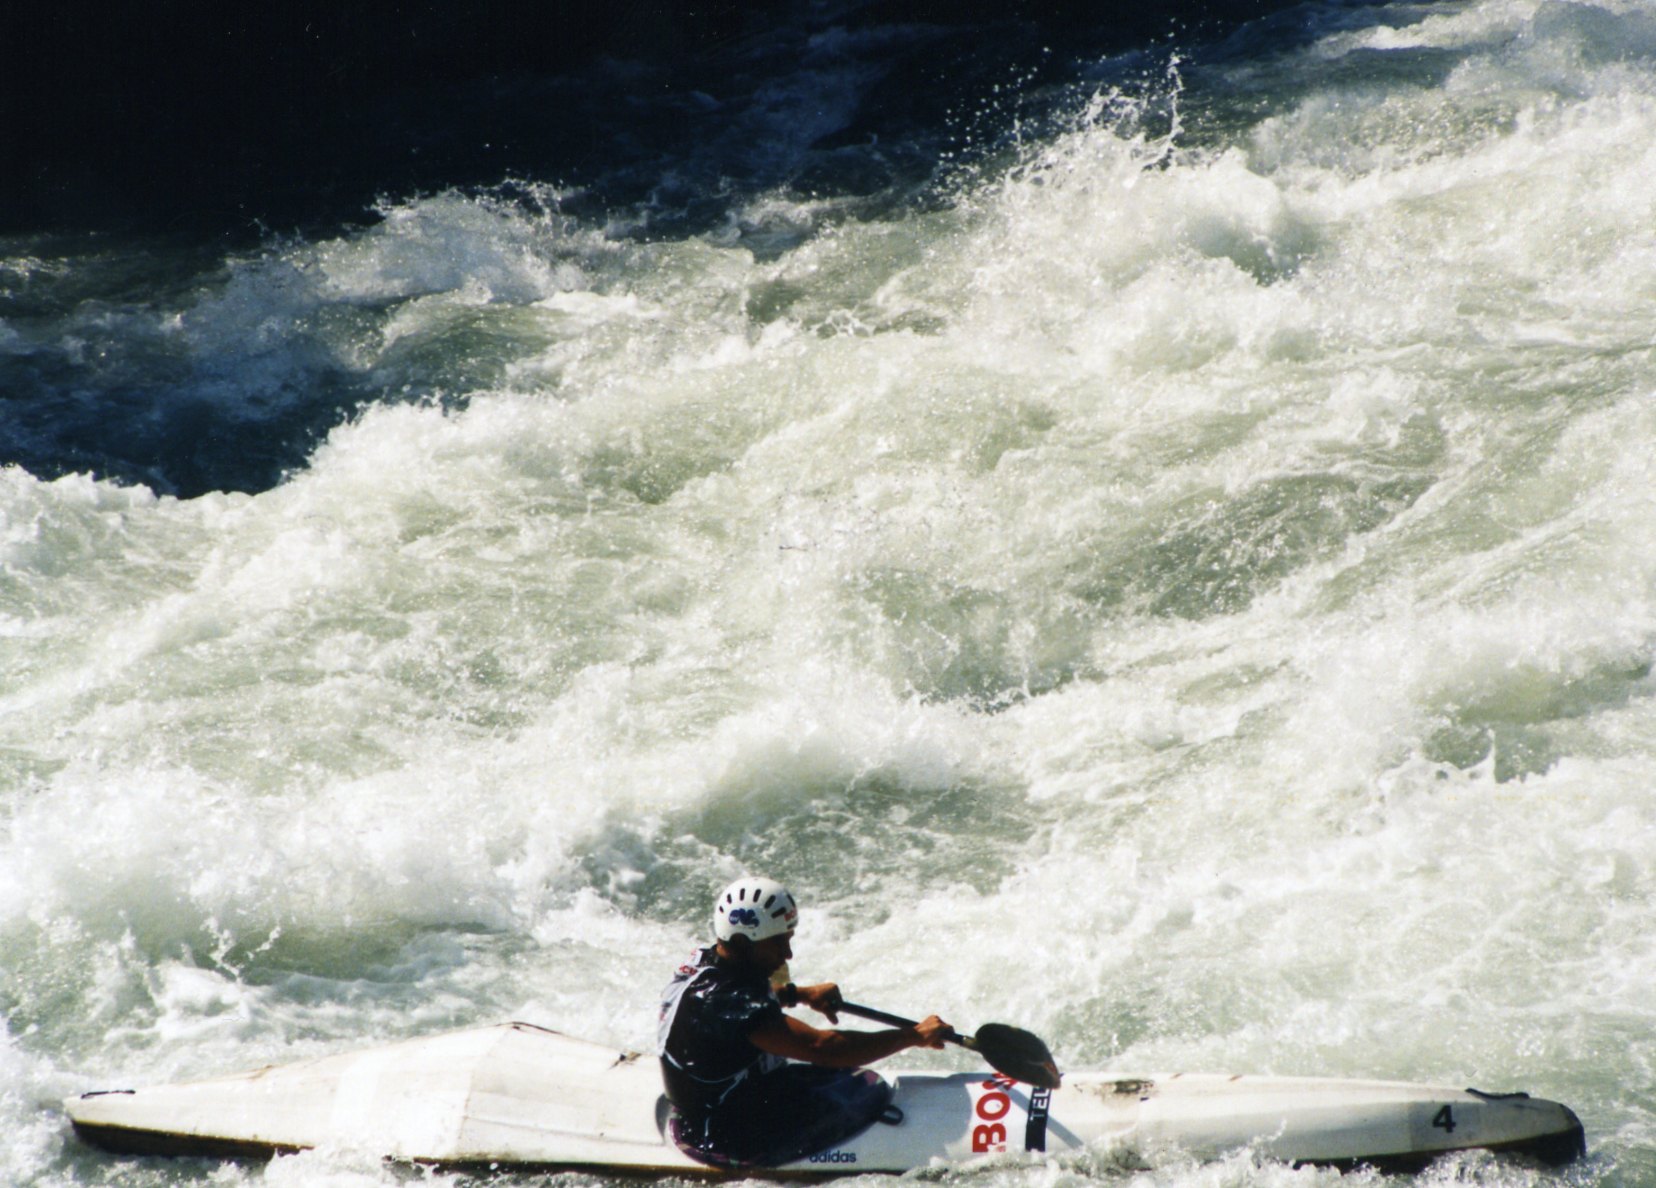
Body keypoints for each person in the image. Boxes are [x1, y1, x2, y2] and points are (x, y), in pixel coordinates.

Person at [656, 876, 952, 1167]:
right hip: (724, 1133)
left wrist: (799, 994)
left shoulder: (707, 961)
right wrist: (913, 1036)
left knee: (850, 1083)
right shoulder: (727, 1002)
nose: (788, 953)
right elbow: (824, 1048)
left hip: (728, 1099)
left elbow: (742, 999)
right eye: (778, 942)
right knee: (864, 1092)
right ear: (743, 942)